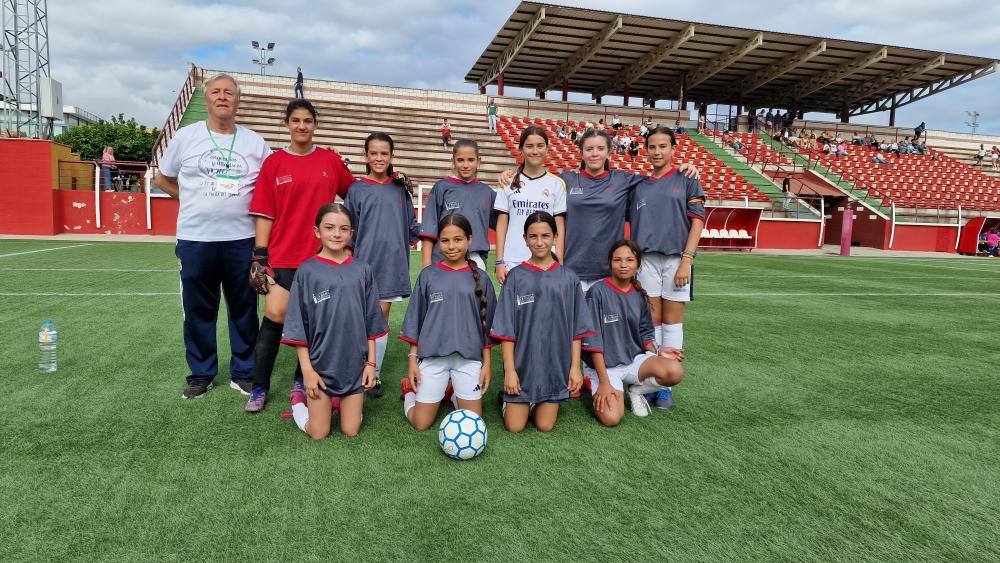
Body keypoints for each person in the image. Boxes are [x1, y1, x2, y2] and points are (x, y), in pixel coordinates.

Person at [154, 73, 272, 399]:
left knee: (244, 308)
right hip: (196, 239)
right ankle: (201, 374)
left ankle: (244, 372)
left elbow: (271, 186)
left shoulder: (255, 143)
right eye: (216, 92)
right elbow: (162, 179)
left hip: (241, 239)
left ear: (238, 100)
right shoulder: (185, 137)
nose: (222, 97)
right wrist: (191, 197)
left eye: (229, 93)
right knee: (198, 309)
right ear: (206, 98)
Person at [243, 99, 355, 413]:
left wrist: (391, 179)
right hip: (283, 255)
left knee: (314, 322)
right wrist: (260, 255)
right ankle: (259, 388)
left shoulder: (330, 161)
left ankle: (299, 381)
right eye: (296, 120)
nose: (302, 126)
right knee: (275, 318)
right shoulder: (274, 164)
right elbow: (264, 213)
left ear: (315, 124)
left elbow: (355, 194)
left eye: (307, 120)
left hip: (321, 260)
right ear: (287, 124)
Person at [281, 203, 388, 439]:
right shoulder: (307, 271)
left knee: (351, 430)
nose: (337, 234)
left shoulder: (363, 270)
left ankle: (340, 404)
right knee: (319, 433)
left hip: (354, 368)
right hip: (320, 368)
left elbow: (371, 322)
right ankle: (299, 401)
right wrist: (307, 371)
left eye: (343, 229)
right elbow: (298, 326)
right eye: (329, 227)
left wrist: (371, 365)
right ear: (317, 231)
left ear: (352, 233)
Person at [489, 211, 593, 433]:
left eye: (545, 236)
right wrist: (509, 371)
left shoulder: (569, 278)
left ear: (555, 236)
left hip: (555, 368)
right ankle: (509, 399)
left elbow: (577, 329)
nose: (539, 242)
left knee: (545, 426)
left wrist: (575, 368)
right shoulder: (515, 277)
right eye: (533, 236)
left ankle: (539, 399)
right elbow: (506, 330)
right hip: (523, 367)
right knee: (515, 427)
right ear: (525, 239)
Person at [399, 214, 497, 430]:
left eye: (458, 239)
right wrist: (412, 360)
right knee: (420, 424)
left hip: (469, 360)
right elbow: (416, 320)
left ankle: (452, 393)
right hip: (433, 358)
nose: (451, 246)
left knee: (473, 425)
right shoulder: (428, 276)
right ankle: (409, 394)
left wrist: (486, 365)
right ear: (438, 242)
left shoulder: (481, 278)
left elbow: (487, 327)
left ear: (469, 240)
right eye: (445, 241)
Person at [631, 126, 705, 409]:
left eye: (663, 146)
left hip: (677, 259)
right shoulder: (639, 185)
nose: (658, 151)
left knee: (673, 323)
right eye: (652, 146)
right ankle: (654, 377)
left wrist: (687, 259)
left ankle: (665, 388)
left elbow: (698, 220)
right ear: (646, 150)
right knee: (653, 323)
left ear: (674, 149)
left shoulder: (687, 179)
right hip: (647, 259)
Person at [343, 133, 421, 398]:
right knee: (358, 320)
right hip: (361, 265)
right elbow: (347, 231)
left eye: (384, 153)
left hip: (390, 266)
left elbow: (412, 227)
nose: (379, 158)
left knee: (380, 319)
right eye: (373, 153)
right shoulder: (356, 190)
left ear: (391, 156)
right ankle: (356, 369)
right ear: (366, 155)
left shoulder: (400, 190)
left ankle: (372, 375)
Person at [581, 241, 684, 423]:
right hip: (605, 367)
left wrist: (659, 350)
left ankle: (635, 390)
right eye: (617, 260)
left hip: (633, 360)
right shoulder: (596, 292)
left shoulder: (639, 294)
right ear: (610, 262)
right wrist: (604, 382)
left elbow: (645, 334)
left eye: (629, 260)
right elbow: (592, 341)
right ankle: (592, 380)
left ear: (637, 264)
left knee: (674, 371)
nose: (623, 265)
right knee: (612, 418)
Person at [493, 126, 567, 285]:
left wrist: (559, 261)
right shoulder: (508, 182)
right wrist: (500, 261)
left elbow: (559, 227)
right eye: (529, 146)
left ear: (547, 149)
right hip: (513, 261)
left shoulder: (557, 184)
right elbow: (502, 223)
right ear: (521, 149)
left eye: (540, 146)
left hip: (548, 261)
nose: (535, 151)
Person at [419, 139, 496, 271]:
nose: (466, 165)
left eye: (471, 160)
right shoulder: (441, 188)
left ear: (479, 161)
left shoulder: (487, 192)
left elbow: (503, 225)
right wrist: (426, 267)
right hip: (443, 258)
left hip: (475, 260)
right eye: (460, 160)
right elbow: (428, 230)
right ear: (453, 161)